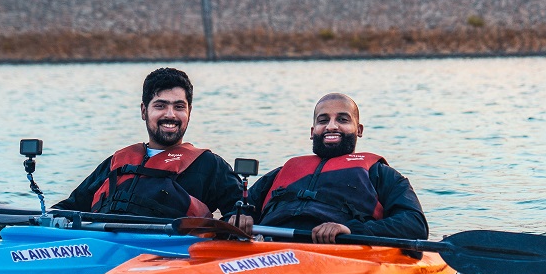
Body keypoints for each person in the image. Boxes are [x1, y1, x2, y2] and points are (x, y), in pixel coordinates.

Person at [235, 93, 428, 243]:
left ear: (359, 130)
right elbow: (237, 211)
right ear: (313, 132)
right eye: (323, 120)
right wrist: (240, 219)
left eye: (343, 119)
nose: (331, 126)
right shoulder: (280, 173)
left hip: (336, 250)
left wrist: (351, 230)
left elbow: (414, 224)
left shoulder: (380, 174)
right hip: (268, 247)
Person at [53, 67, 243, 218]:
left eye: (179, 107)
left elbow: (243, 212)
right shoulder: (116, 163)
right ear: (144, 111)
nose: (170, 115)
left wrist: (238, 219)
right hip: (104, 246)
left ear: (189, 112)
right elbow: (68, 208)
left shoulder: (210, 166)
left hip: (169, 251)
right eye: (160, 106)